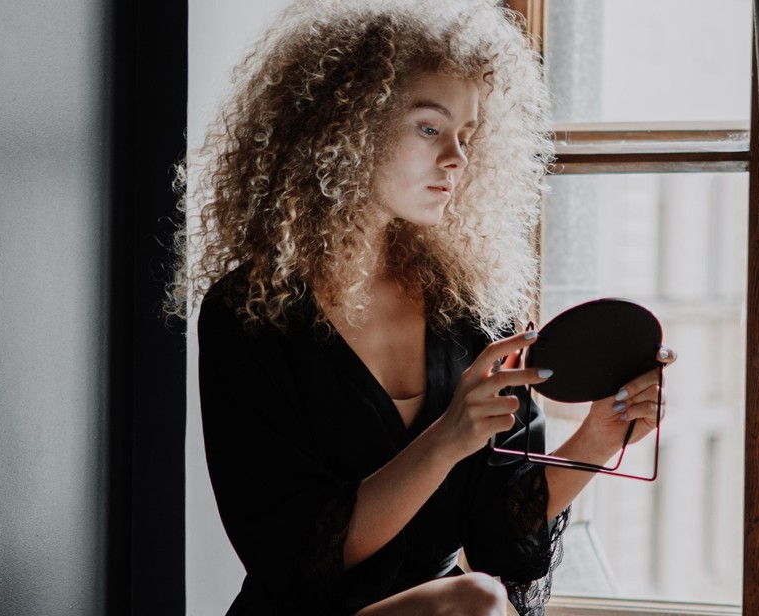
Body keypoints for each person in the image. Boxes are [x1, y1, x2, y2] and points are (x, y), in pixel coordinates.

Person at [168, 1, 676, 614]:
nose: (458, 158)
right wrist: (445, 440)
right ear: (345, 127)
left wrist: (597, 438)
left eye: (468, 135)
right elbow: (297, 556)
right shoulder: (249, 314)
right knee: (475, 601)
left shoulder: (469, 306)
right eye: (430, 128)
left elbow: (498, 537)